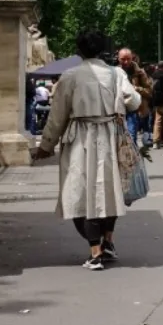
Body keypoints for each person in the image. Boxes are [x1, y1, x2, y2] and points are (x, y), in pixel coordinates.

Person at [34, 29, 141, 271]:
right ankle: (109, 242)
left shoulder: (70, 76)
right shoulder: (117, 73)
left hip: (80, 137)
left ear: (79, 50)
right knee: (109, 190)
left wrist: (46, 146)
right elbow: (134, 101)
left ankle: (95, 251)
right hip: (109, 135)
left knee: (80, 192)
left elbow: (57, 116)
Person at [118, 49, 154, 155]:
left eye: (128, 59)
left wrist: (136, 89)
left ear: (132, 58)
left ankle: (132, 158)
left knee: (131, 135)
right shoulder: (114, 71)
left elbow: (149, 91)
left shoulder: (139, 72)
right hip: (117, 108)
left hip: (133, 108)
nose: (125, 62)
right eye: (123, 59)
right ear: (118, 58)